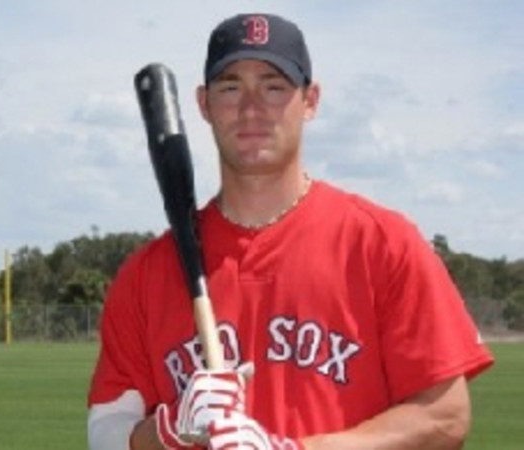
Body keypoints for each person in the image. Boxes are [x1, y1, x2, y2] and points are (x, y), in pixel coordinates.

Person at [87, 12, 494, 450]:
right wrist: (169, 430)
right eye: (230, 88)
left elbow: (445, 417)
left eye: (274, 87)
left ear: (311, 100)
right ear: (204, 104)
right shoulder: (147, 274)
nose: (251, 108)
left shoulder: (383, 244)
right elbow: (105, 432)